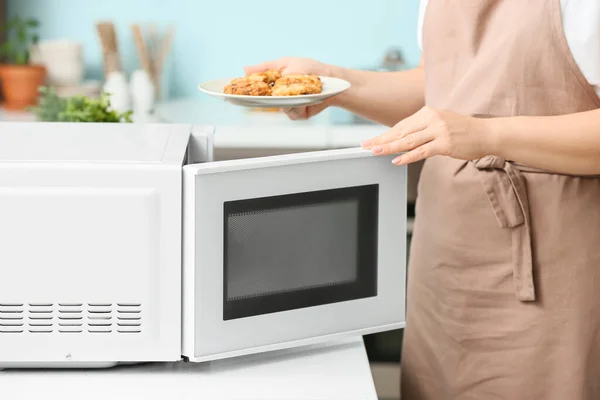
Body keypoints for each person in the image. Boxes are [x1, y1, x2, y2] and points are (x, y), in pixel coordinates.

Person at [246, 0, 600, 399]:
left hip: (553, 259)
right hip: (445, 256)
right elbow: (440, 89)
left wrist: (487, 134)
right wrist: (334, 82)